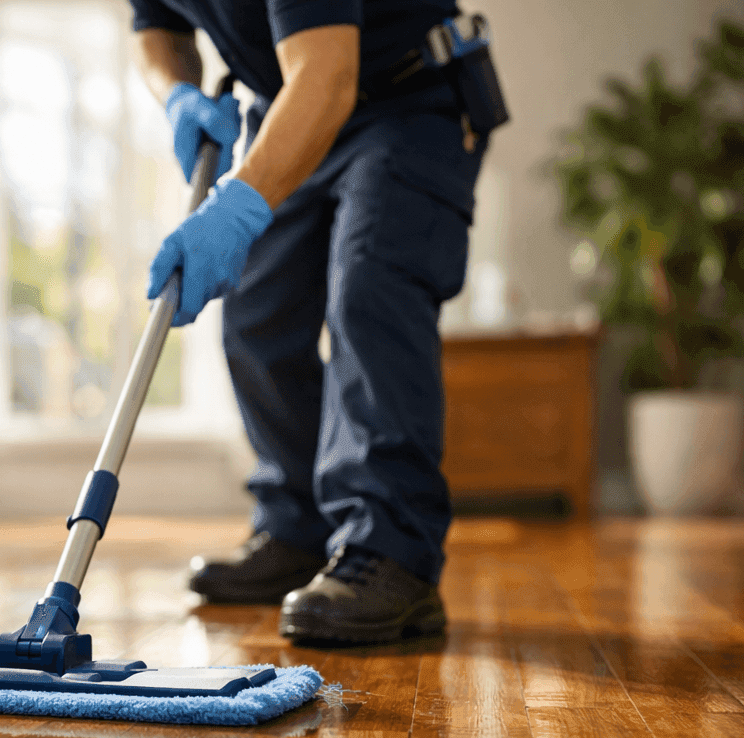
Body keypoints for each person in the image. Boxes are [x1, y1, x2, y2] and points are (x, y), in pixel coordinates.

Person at [131, 0, 487, 644]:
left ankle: (391, 553)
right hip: (288, 103)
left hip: (406, 98)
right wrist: (178, 93)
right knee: (257, 316)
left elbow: (327, 74)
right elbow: (157, 27)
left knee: (370, 296)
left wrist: (235, 208)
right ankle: (297, 528)